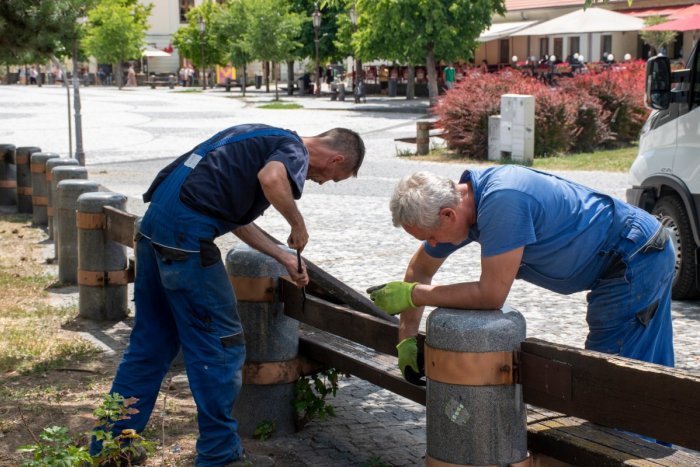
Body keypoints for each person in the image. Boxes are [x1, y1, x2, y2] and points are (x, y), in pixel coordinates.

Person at [90, 124, 365, 465]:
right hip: (185, 243)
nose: (321, 182)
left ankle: (110, 446)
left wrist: (281, 255)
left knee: (150, 344)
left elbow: (231, 216)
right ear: (336, 158)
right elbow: (271, 178)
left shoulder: (256, 135)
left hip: (152, 233)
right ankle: (219, 455)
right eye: (333, 177)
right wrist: (297, 224)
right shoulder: (293, 149)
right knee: (221, 345)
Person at [369, 167, 675, 386]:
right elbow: (420, 269)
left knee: (615, 377)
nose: (432, 244)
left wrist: (416, 295)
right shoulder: (463, 208)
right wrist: (406, 339)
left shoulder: (503, 202)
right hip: (636, 252)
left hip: (633, 257)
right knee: (646, 367)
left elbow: (490, 295)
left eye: (431, 236)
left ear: (448, 214)